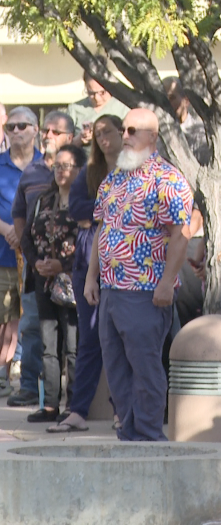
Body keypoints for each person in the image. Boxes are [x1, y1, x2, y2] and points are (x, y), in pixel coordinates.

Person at [84, 108, 194, 442]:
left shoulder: (168, 179)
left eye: (133, 130)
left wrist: (166, 282)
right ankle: (128, 433)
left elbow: (181, 233)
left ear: (153, 137)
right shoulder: (114, 177)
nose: (126, 136)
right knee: (116, 368)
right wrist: (92, 277)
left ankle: (148, 436)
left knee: (145, 368)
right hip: (111, 290)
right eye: (123, 129)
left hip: (146, 290)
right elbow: (102, 231)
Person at [53, 114, 123, 433]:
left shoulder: (134, 168)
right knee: (89, 336)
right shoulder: (90, 171)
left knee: (121, 337)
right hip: (87, 258)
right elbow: (78, 209)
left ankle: (123, 410)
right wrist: (107, 209)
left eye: (108, 131)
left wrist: (100, 213)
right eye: (97, 133)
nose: (103, 138)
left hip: (124, 259)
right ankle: (78, 410)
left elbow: (99, 212)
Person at [8, 110, 74, 408]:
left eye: (55, 132)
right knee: (34, 326)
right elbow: (19, 213)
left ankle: (74, 400)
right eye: (46, 131)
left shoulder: (81, 170)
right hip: (36, 267)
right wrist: (30, 254)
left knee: (72, 337)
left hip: (73, 269)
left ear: (70, 138)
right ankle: (32, 391)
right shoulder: (32, 172)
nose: (48, 136)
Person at [22, 145, 83, 423]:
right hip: (44, 282)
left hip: (74, 283)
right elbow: (26, 238)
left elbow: (90, 242)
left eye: (67, 166)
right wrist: (36, 263)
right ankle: (50, 405)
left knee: (72, 346)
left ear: (79, 169)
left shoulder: (85, 200)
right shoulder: (42, 201)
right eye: (57, 166)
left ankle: (74, 404)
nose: (61, 171)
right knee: (49, 345)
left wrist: (64, 266)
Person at [0, 107, 42, 400]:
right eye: (11, 127)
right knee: (4, 317)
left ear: (35, 129)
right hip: (2, 253)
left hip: (37, 257)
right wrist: (7, 229)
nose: (16, 131)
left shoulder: (47, 165)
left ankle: (29, 381)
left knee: (30, 320)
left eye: (22, 126)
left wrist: (23, 231)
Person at [68, 69, 130, 150]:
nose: (97, 98)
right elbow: (64, 146)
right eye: (91, 93)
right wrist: (80, 139)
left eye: (102, 92)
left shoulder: (123, 107)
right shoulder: (75, 108)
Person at [162, 77, 211, 165]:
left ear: (186, 101)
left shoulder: (200, 132)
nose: (167, 103)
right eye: (164, 99)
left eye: (172, 98)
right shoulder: (156, 135)